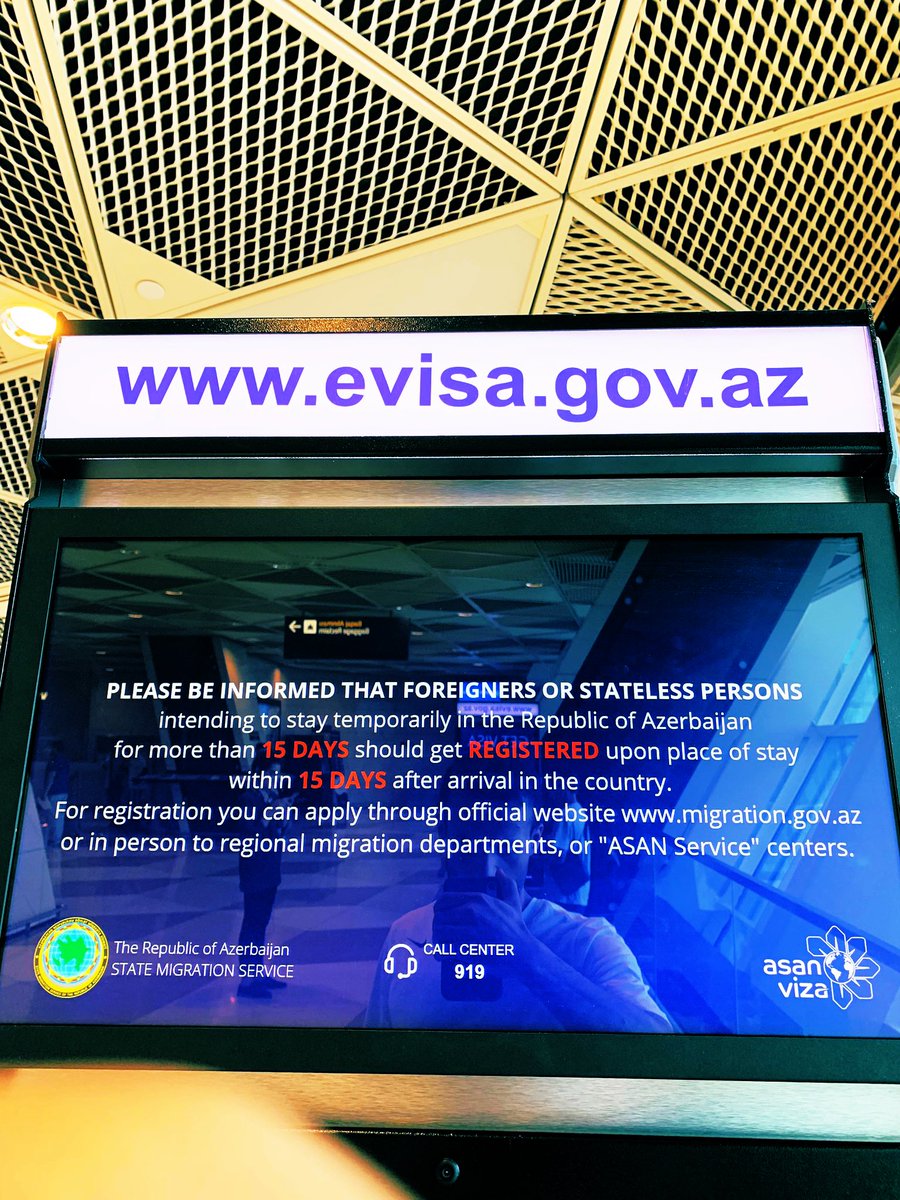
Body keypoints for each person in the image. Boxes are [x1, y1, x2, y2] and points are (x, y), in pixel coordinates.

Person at [366, 763, 671, 1033]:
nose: (487, 868)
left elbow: (657, 1049)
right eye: (467, 843)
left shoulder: (590, 942)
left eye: (505, 847)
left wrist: (524, 953)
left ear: (535, 839)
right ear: (443, 835)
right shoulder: (405, 933)